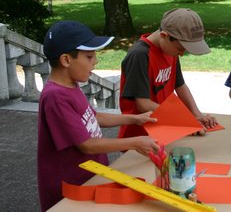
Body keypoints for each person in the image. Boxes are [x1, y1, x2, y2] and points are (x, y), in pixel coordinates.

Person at [37, 20, 159, 212]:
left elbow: (92, 117)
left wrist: (135, 118)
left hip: (90, 176)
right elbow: (86, 144)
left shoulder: (71, 85)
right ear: (66, 60)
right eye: (89, 56)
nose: (95, 61)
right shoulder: (55, 97)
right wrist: (135, 142)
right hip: (70, 188)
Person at [118, 8, 217, 139]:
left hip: (165, 129)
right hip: (139, 136)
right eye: (181, 49)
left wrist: (196, 114)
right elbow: (143, 104)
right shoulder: (139, 55)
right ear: (164, 36)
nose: (182, 54)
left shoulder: (171, 50)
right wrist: (184, 121)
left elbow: (180, 85)